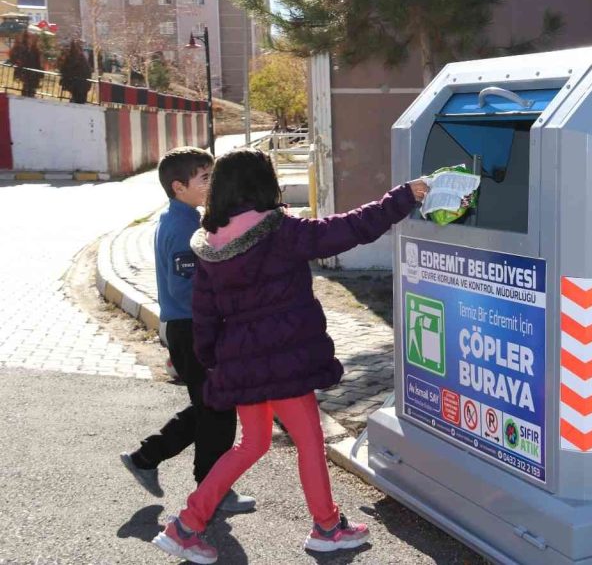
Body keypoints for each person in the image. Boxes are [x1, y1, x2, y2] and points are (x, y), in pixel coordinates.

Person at [152, 148, 429, 563]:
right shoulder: (280, 231)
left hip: (241, 364)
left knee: (251, 444)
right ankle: (327, 528)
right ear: (262, 185)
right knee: (310, 443)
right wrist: (402, 197)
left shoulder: (210, 243)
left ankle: (186, 526)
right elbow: (349, 229)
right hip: (283, 363)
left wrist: (213, 361)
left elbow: (204, 314)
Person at [120, 147, 255, 514]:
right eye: (205, 178)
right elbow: (188, 288)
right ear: (179, 186)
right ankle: (211, 493)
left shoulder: (182, 219)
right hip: (194, 328)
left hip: (186, 328)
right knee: (218, 410)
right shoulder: (182, 228)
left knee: (209, 405)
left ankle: (146, 458)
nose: (212, 184)